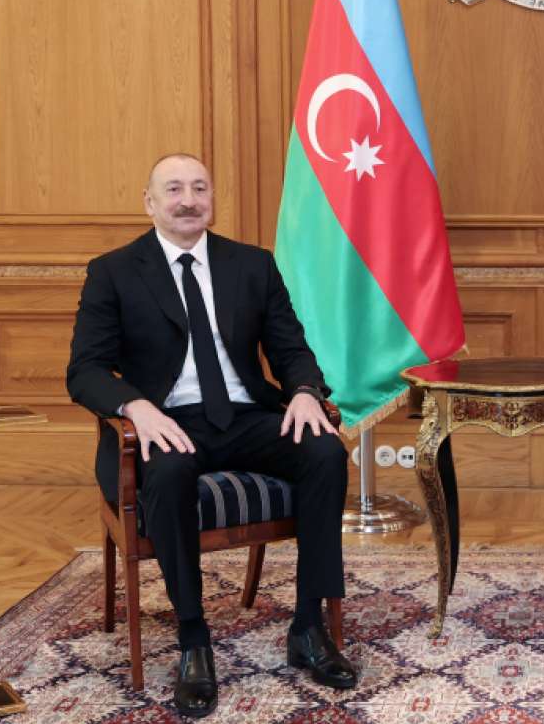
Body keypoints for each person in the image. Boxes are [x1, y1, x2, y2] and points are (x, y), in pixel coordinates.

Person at [67, 153, 355, 717]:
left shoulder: (252, 265)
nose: (188, 200)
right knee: (170, 472)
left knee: (324, 450)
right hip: (166, 422)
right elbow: (85, 370)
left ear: (212, 199)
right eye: (174, 189)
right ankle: (194, 639)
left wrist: (304, 391)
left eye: (200, 188)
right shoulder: (113, 272)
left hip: (245, 415)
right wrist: (137, 407)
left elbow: (290, 348)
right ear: (149, 202)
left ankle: (307, 625)